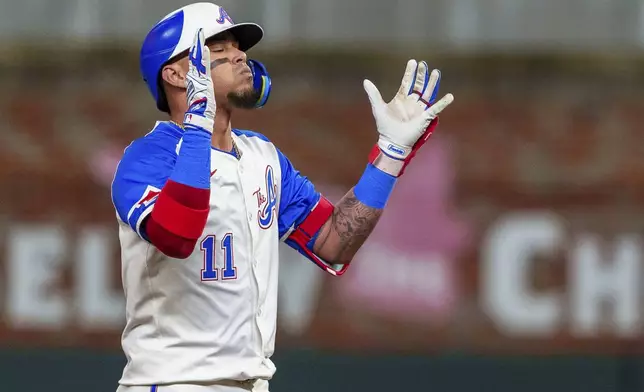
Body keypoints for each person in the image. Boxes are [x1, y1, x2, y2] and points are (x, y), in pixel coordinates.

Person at [110, 2, 454, 392]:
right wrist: (198, 126)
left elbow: (333, 243)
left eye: (238, 47)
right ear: (174, 73)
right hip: (173, 383)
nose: (239, 54)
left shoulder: (262, 156)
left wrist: (390, 155)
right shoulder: (147, 157)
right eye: (217, 49)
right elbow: (177, 235)